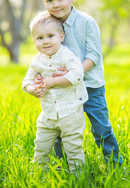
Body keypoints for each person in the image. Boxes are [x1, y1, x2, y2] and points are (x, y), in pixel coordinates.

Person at [36, 0, 123, 166]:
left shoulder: (87, 22)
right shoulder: (48, 24)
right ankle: (64, 166)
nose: (55, 4)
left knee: (101, 128)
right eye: (49, 0)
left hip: (91, 86)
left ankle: (115, 165)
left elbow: (94, 55)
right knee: (60, 129)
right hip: (64, 89)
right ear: (44, 2)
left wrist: (73, 74)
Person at [22, 11, 88, 172]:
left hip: (70, 112)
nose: (45, 41)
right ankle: (39, 173)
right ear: (34, 40)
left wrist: (52, 82)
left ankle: (77, 175)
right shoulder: (37, 60)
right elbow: (26, 82)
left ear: (61, 36)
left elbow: (77, 74)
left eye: (50, 36)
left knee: (72, 146)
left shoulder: (67, 55)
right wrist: (32, 89)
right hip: (48, 114)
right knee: (41, 145)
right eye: (40, 38)